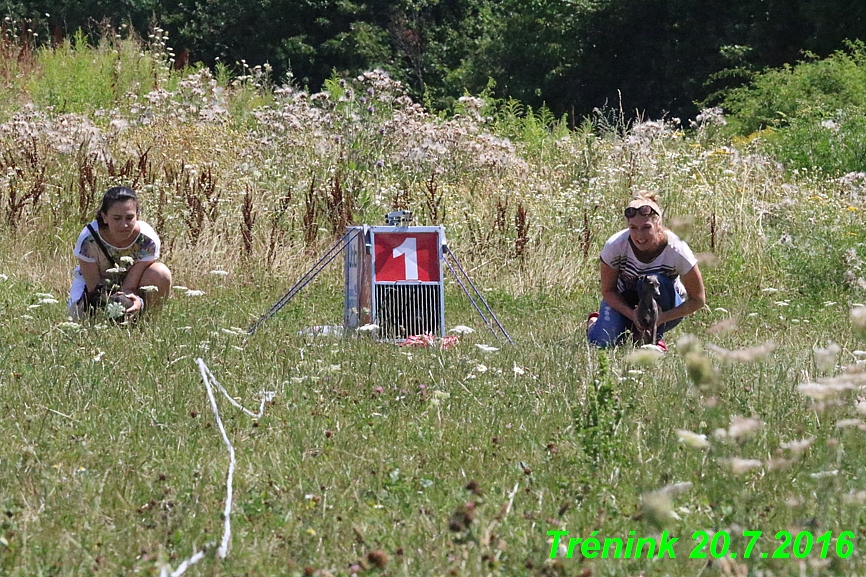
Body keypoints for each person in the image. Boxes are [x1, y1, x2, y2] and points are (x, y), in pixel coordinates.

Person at [587, 190, 706, 351]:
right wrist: (632, 315)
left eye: (646, 227)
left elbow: (698, 300)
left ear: (658, 225)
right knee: (604, 344)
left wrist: (661, 318)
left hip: (666, 302)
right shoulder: (615, 246)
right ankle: (595, 323)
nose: (639, 235)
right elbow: (608, 290)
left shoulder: (677, 250)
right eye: (633, 228)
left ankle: (656, 338)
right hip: (625, 299)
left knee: (654, 280)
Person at [67, 186, 172, 320]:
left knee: (161, 272)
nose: (124, 225)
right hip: (97, 286)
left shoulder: (148, 240)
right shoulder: (89, 238)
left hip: (132, 285)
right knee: (79, 320)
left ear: (137, 215)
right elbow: (94, 288)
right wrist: (108, 303)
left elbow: (129, 286)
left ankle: (148, 321)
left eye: (129, 218)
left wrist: (135, 300)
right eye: (117, 218)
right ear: (104, 217)